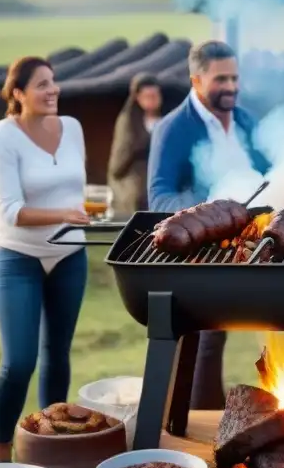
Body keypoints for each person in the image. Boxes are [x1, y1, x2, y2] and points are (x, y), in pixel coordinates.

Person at [147, 40, 269, 410]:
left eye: (234, 77)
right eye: (220, 79)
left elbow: (271, 175)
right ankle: (199, 420)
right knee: (204, 338)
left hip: (246, 249)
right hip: (201, 252)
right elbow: (159, 196)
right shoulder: (173, 128)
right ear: (196, 80)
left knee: (235, 335)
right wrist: (207, 213)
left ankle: (210, 415)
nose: (230, 86)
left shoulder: (247, 121)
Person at [0, 57, 89, 463]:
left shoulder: (73, 129)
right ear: (18, 93)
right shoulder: (2, 137)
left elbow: (78, 193)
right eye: (42, 84)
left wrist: (79, 214)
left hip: (69, 256)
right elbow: (9, 210)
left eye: (54, 81)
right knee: (19, 361)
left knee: (57, 353)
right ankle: (0, 447)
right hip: (19, 257)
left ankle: (50, 444)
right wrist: (63, 214)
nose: (53, 90)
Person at [108, 74, 162, 216]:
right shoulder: (128, 122)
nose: (153, 100)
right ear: (138, 97)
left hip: (162, 176)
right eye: (148, 96)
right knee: (140, 196)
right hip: (135, 176)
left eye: (155, 95)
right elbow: (119, 162)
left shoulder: (167, 120)